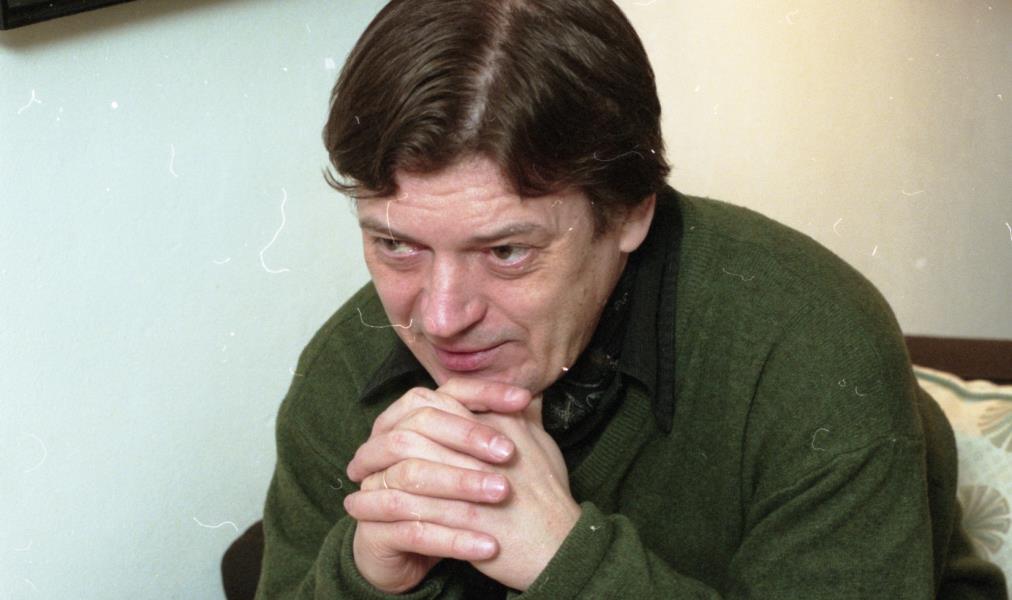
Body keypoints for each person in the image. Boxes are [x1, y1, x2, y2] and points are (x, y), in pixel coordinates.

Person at [255, 0, 1007, 598]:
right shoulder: (341, 371)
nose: (441, 317)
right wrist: (364, 580)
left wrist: (568, 562)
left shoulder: (815, 346)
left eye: (507, 252)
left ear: (629, 213)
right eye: (397, 245)